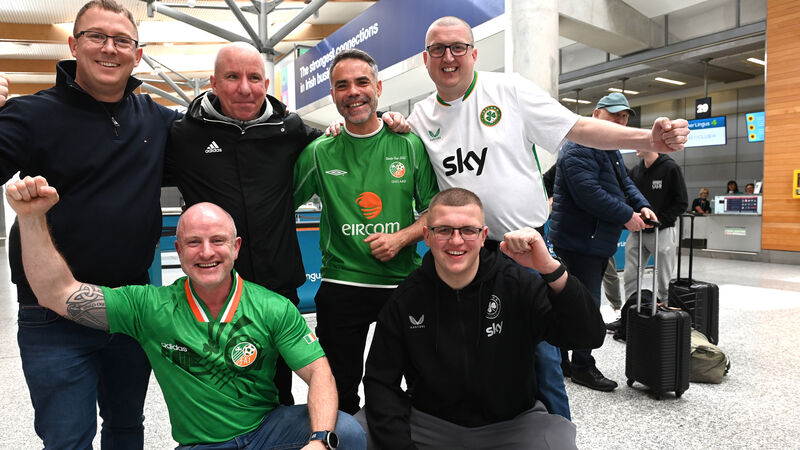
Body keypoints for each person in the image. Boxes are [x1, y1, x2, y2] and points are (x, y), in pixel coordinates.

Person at [404, 15, 688, 418]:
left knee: (542, 353)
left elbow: (578, 128)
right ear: (426, 59)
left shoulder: (508, 91)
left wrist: (646, 138)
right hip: (463, 251)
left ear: (474, 54)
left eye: (457, 48)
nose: (448, 57)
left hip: (523, 247)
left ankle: (556, 431)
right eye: (437, 49)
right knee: (467, 351)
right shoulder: (419, 117)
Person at [6, 176, 366, 449]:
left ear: (236, 247)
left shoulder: (272, 306)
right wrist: (31, 218)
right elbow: (58, 294)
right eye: (194, 242)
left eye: (218, 241)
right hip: (202, 444)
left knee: (347, 432)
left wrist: (320, 441)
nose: (206, 252)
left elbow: (319, 372)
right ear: (178, 250)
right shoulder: (149, 307)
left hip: (265, 432)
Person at [0, 1, 180, 447]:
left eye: (122, 40)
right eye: (96, 36)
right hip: (51, 313)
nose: (109, 48)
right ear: (73, 45)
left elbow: (228, 136)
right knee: (67, 439)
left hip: (130, 306)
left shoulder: (157, 119)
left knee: (126, 427)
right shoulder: (30, 114)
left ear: (137, 54)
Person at [357, 188, 605, 449]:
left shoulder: (517, 285)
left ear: (483, 235)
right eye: (444, 230)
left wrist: (550, 269)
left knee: (558, 440)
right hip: (430, 423)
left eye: (468, 230)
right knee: (356, 432)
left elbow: (588, 335)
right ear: (427, 236)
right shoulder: (407, 297)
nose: (456, 241)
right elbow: (380, 381)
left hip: (512, 424)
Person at [165, 42, 324, 405]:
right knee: (220, 389)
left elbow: (340, 144)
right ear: (213, 83)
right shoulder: (184, 135)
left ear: (266, 83)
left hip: (277, 287)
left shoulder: (289, 129)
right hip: (215, 287)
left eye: (254, 78)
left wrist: (385, 121)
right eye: (232, 77)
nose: (244, 88)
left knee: (279, 389)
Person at [293, 49, 440, 415]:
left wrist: (401, 238)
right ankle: (345, 437)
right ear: (332, 94)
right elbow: (278, 205)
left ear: (378, 87)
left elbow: (435, 212)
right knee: (340, 390)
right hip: (343, 284)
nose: (353, 92)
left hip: (402, 283)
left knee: (419, 381)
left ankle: (413, 436)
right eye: (342, 85)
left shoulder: (408, 143)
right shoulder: (319, 152)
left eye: (362, 82)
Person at [549, 93, 656, 392]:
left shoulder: (609, 149)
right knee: (585, 305)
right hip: (579, 241)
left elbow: (625, 183)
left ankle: (565, 361)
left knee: (574, 303)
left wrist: (642, 205)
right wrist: (626, 215)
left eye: (624, 117)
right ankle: (581, 366)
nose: (620, 122)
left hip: (593, 240)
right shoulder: (579, 147)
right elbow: (589, 193)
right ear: (596, 115)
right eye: (614, 115)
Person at [620, 150, 688, 320]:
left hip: (662, 231)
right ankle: (630, 314)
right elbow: (629, 199)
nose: (636, 147)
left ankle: (665, 318)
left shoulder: (670, 168)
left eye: (640, 142)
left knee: (664, 280)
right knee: (630, 276)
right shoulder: (635, 171)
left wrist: (660, 220)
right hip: (638, 232)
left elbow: (681, 203)